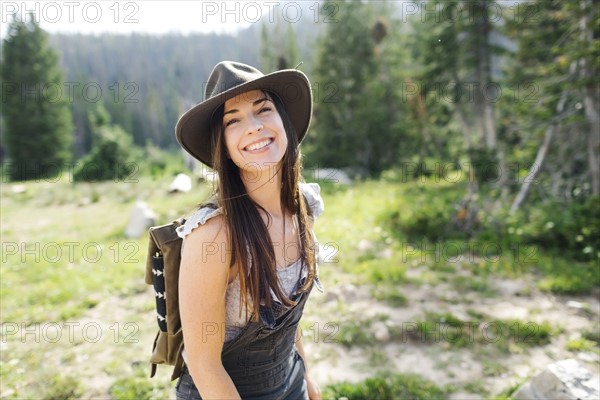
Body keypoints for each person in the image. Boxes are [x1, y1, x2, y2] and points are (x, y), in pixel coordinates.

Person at [174, 61, 324, 400]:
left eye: (263, 109)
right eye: (233, 120)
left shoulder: (304, 206)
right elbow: (204, 364)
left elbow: (288, 315)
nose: (254, 127)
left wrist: (307, 379)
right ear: (222, 144)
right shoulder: (214, 235)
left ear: (284, 119)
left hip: (290, 381)